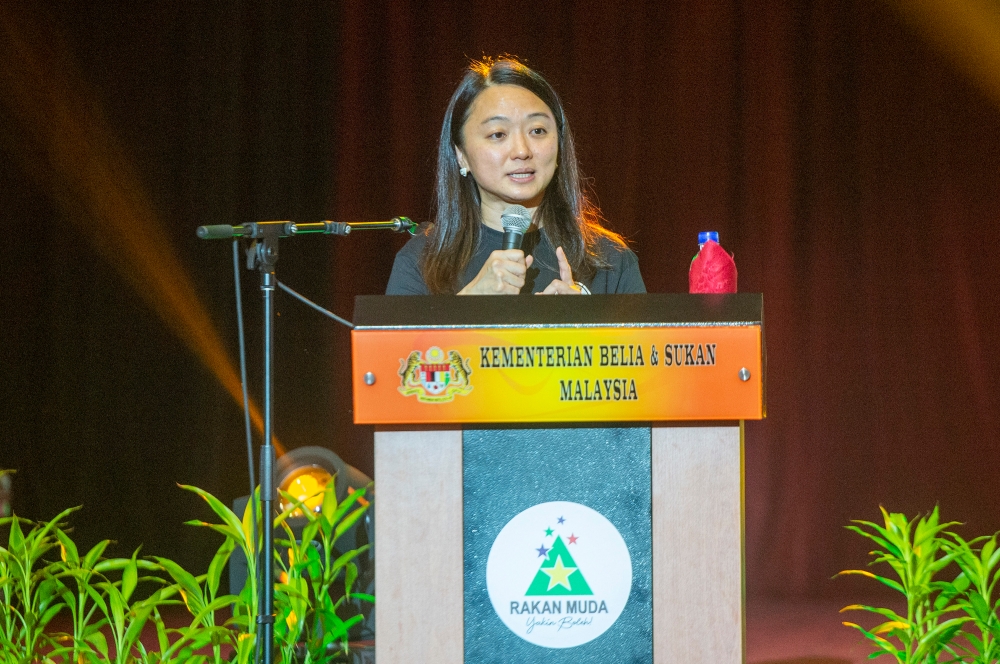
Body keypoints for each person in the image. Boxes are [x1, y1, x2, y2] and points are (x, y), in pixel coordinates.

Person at [386, 57, 645, 295]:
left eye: (538, 131)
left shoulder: (610, 260)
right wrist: (466, 309)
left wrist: (581, 332)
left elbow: (645, 346)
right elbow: (398, 348)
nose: (522, 151)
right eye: (498, 134)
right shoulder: (420, 262)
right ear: (461, 154)